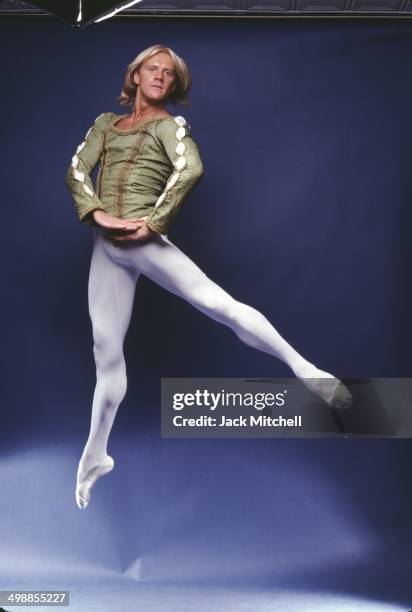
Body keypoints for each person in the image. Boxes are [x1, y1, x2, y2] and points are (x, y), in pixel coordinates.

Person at [66, 44, 352, 510]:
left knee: (218, 304)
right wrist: (99, 217)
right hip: (106, 249)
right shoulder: (105, 125)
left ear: (174, 85)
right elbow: (77, 169)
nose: (160, 76)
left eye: (169, 73)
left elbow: (190, 168)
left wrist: (151, 223)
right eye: (152, 69)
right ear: (135, 75)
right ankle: (95, 453)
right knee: (107, 355)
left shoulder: (169, 127)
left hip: (143, 242)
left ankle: (305, 370)